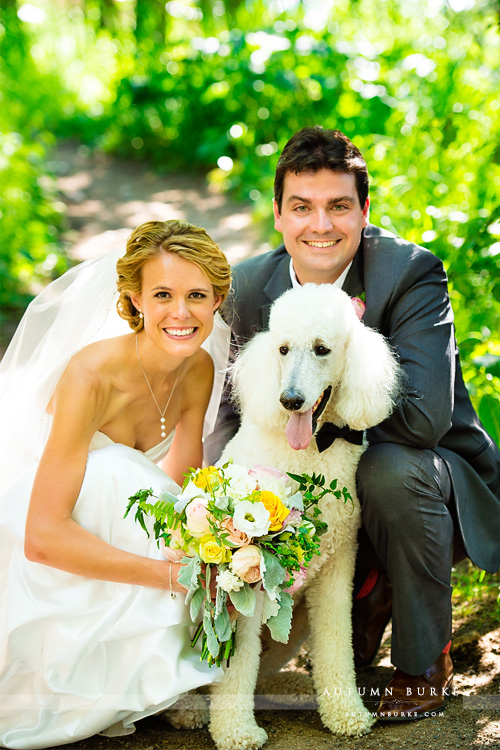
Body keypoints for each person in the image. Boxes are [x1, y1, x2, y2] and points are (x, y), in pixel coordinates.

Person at [205, 126, 500, 719]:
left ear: (364, 211)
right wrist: (230, 508)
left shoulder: (410, 273)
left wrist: (316, 415)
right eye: (302, 208)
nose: (321, 225)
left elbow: (422, 420)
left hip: (424, 472)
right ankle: (365, 590)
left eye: (339, 206)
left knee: (389, 470)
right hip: (307, 480)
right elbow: (231, 415)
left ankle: (423, 662)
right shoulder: (246, 285)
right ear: (278, 215)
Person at [0, 219, 231, 749]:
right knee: (115, 473)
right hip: (47, 553)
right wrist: (170, 576)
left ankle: (143, 669)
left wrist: (230, 543)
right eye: (163, 295)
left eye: (197, 295)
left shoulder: (198, 367)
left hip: (119, 535)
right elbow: (41, 537)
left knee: (143, 490)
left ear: (217, 299)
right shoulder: (91, 376)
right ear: (134, 299)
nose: (181, 313)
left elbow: (182, 493)